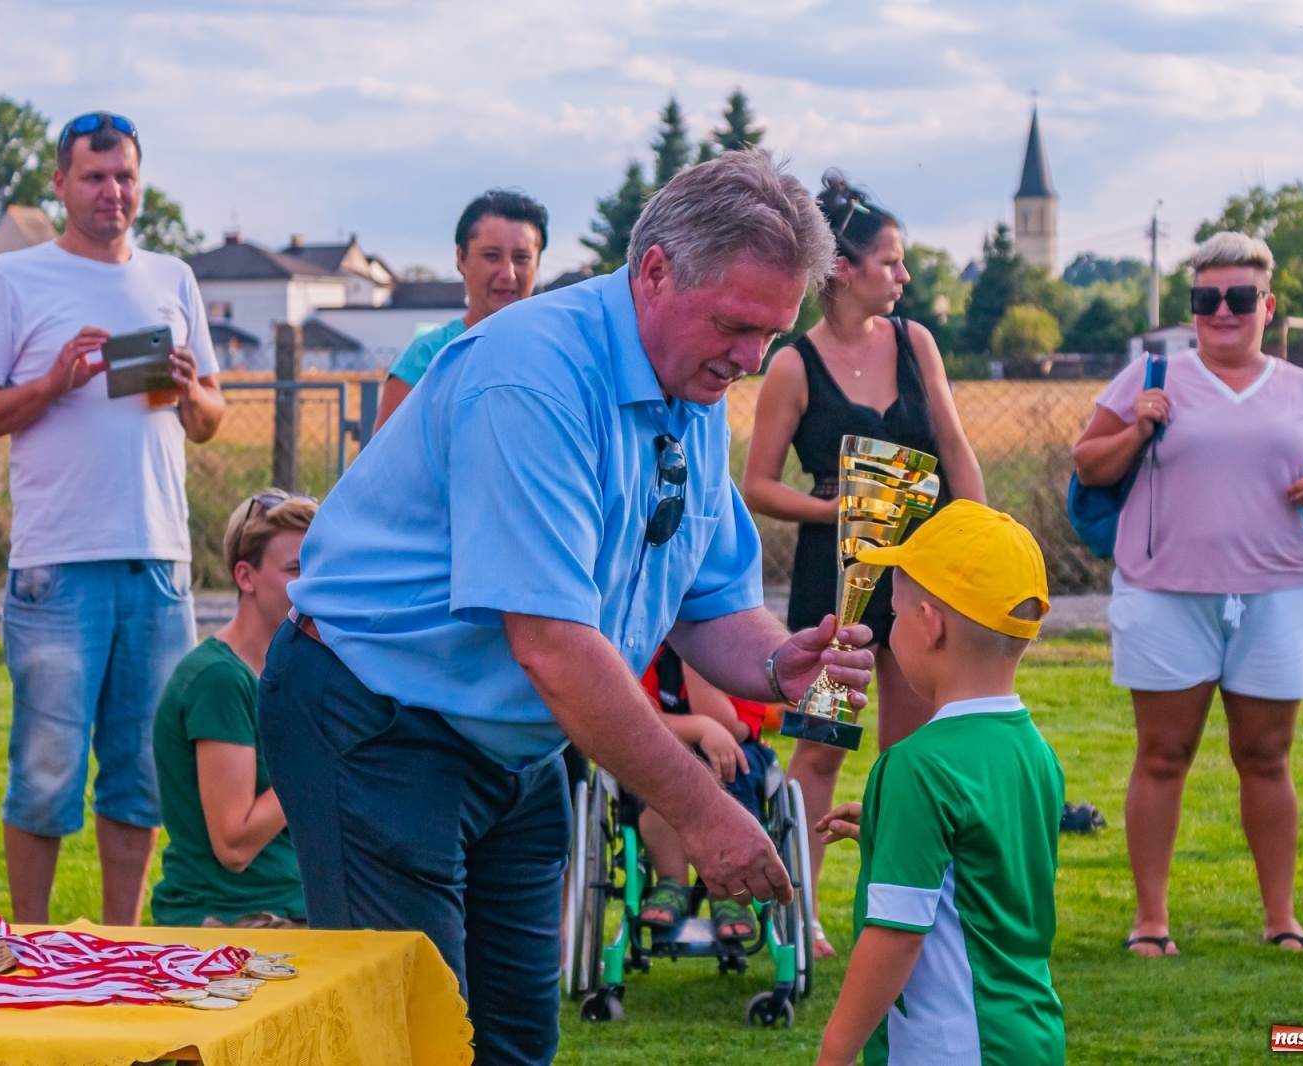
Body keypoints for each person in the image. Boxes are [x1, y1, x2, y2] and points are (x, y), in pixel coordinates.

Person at [261, 151, 869, 1065]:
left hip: (513, 743)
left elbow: (705, 606)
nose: (752, 360)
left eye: (772, 336)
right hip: (374, 721)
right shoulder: (532, 376)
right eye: (738, 325)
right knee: (408, 1040)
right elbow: (549, 642)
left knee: (514, 1044)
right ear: (656, 270)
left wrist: (785, 666)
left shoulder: (694, 390)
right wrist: (702, 814)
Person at [0, 111, 225, 926]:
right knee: (46, 768)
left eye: (126, 176)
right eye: (95, 176)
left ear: (142, 184)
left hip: (159, 560)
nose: (113, 191)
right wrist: (52, 384)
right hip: (58, 560)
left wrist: (184, 389)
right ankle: (27, 946)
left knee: (141, 772)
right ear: (61, 184)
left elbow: (208, 418)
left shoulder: (173, 278)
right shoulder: (14, 279)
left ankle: (120, 945)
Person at [1073, 231, 1303, 958]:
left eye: (1239, 297)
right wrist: (1140, 425)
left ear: (1267, 306)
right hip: (1164, 593)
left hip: (1280, 592)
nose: (1222, 311)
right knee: (1162, 754)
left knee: (1267, 756)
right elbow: (1089, 463)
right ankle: (1150, 922)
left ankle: (1283, 919)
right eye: (1206, 299)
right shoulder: (1153, 374)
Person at [742, 170, 985, 959]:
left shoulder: (917, 343)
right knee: (819, 750)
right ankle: (800, 916)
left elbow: (954, 450)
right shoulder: (791, 365)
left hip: (923, 584)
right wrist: (843, 512)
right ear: (842, 270)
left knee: (910, 758)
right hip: (832, 584)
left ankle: (905, 915)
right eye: (891, 262)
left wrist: (977, 539)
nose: (904, 277)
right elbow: (759, 485)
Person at [814, 500, 1064, 1066]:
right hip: (1028, 1034)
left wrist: (835, 1050)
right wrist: (889, 829)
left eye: (896, 614)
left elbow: (897, 935)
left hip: (950, 1047)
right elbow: (981, 862)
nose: (889, 629)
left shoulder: (917, 766)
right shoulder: (1034, 751)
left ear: (930, 625)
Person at [150, 490, 315, 929]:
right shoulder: (219, 680)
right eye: (297, 569)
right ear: (246, 576)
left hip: (295, 904)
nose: (314, 583)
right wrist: (321, 757)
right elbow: (235, 844)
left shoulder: (299, 670)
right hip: (232, 918)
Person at [371, 189, 549, 432]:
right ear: (461, 258)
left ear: (537, 264)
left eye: (521, 258)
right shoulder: (426, 359)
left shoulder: (554, 356)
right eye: (491, 256)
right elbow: (386, 465)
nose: (508, 274)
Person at [634, 643, 777, 942]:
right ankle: (672, 882)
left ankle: (729, 889)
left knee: (733, 769)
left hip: (736, 753)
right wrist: (700, 728)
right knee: (661, 770)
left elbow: (733, 728)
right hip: (668, 745)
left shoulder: (743, 662)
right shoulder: (653, 654)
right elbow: (638, 717)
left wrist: (695, 663)